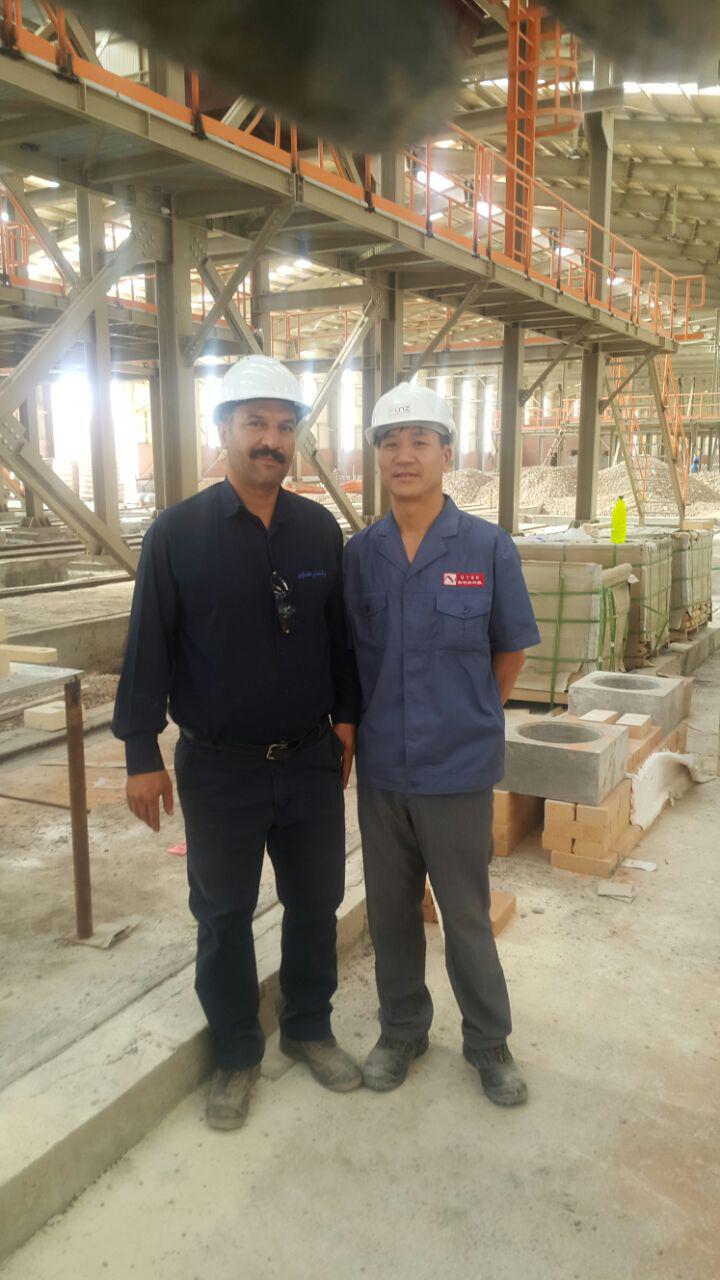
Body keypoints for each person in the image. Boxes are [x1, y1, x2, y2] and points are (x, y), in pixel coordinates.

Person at [113, 354, 362, 1130]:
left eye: (284, 427)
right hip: (219, 769)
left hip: (310, 759)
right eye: (256, 423)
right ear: (222, 429)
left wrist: (346, 720)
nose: (271, 440)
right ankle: (235, 1053)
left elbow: (339, 640)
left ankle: (308, 1027)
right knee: (222, 914)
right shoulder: (178, 534)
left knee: (316, 901)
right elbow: (147, 647)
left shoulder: (318, 529)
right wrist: (141, 754)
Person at [344, 383, 541, 1106]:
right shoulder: (359, 554)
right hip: (384, 773)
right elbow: (348, 661)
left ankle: (489, 1043)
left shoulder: (486, 547)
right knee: (391, 913)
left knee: (465, 915)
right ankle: (402, 1031)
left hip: (458, 771)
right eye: (391, 443)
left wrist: (472, 713)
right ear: (378, 458)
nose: (404, 456)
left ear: (447, 454)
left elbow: (510, 652)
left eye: (420, 441)